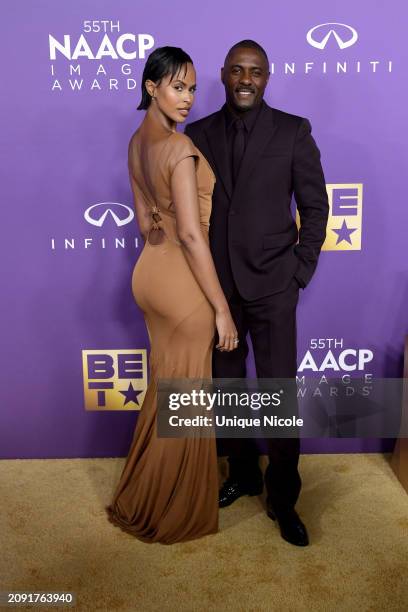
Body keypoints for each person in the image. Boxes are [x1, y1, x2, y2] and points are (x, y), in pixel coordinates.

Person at [185, 40, 329, 546]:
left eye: (256, 72)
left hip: (274, 286)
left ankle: (284, 498)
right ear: (224, 74)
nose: (246, 79)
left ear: (267, 78)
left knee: (277, 393)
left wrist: (299, 272)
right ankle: (242, 474)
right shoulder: (197, 134)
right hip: (219, 292)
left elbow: (315, 207)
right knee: (228, 391)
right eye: (238, 70)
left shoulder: (293, 130)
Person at [106, 46, 238, 544]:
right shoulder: (181, 151)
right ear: (151, 87)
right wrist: (221, 310)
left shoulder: (136, 142)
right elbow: (190, 235)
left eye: (191, 88)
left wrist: (163, 215)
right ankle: (165, 506)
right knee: (186, 404)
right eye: (177, 87)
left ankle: (144, 488)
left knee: (167, 396)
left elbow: (145, 223)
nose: (187, 99)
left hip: (148, 278)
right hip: (183, 287)